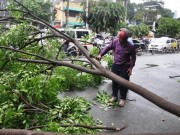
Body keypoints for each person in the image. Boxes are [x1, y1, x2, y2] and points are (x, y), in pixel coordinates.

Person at [96, 28, 136, 107]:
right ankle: (114, 96)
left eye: (120, 38)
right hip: (115, 65)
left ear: (125, 39)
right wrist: (101, 54)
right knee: (114, 81)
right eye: (118, 38)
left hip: (125, 66)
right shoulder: (115, 42)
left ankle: (123, 99)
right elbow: (107, 48)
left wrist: (131, 68)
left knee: (124, 83)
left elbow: (133, 58)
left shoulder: (130, 46)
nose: (119, 40)